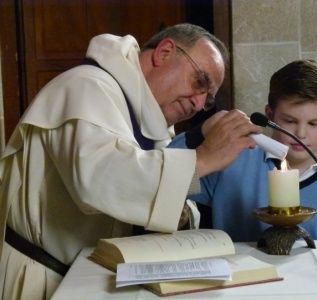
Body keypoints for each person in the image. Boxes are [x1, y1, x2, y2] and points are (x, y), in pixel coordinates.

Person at [0, 23, 261, 300]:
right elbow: (99, 180)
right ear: (165, 52)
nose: (198, 104)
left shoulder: (150, 119)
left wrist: (182, 211)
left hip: (96, 279)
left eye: (207, 100)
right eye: (199, 82)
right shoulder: (86, 87)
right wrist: (204, 158)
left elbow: (143, 192)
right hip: (43, 278)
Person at [169, 59, 317, 242]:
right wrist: (201, 131)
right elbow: (164, 180)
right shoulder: (230, 162)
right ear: (269, 116)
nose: (300, 133)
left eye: (314, 123)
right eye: (289, 121)